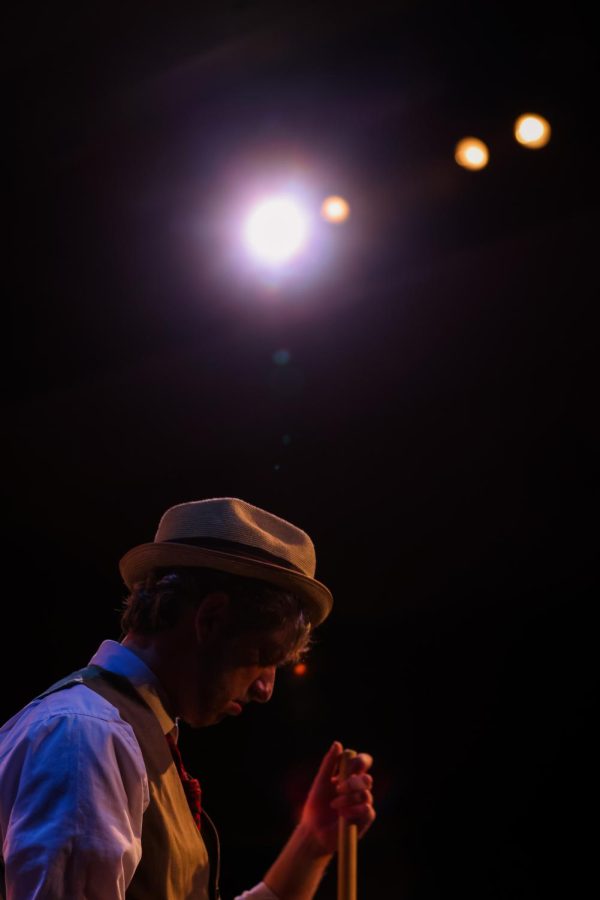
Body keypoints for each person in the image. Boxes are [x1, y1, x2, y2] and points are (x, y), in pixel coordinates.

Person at [0, 497, 375, 899]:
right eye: (263, 658)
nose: (265, 689)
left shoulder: (124, 736)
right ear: (210, 619)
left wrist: (313, 840)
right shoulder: (87, 737)